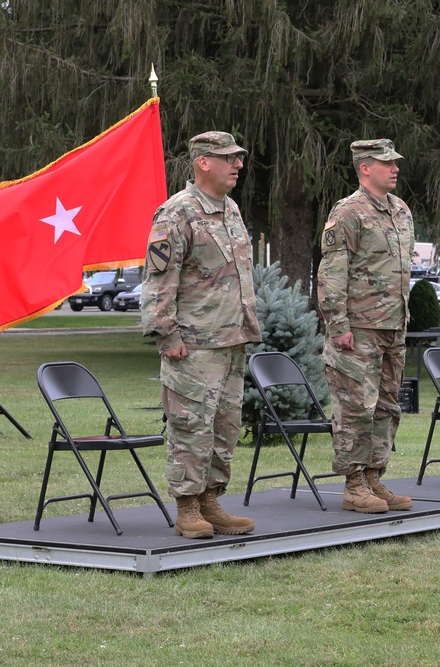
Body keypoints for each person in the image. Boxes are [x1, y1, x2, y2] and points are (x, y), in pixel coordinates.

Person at [142, 131, 261, 539]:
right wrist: (166, 335)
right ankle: (187, 507)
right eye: (229, 158)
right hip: (192, 345)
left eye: (239, 158)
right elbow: (159, 282)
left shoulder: (230, 210)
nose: (238, 165)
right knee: (190, 426)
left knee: (225, 428)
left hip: (231, 341)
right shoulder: (176, 213)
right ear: (203, 162)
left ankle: (211, 501)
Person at [316, 139, 415, 513]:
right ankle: (354, 483)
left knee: (387, 406)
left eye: (395, 162)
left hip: (393, 326)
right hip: (358, 329)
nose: (395, 168)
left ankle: (374, 476)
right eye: (386, 163)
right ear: (364, 168)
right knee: (355, 407)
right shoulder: (348, 212)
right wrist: (337, 324)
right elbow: (332, 273)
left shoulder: (400, 210)